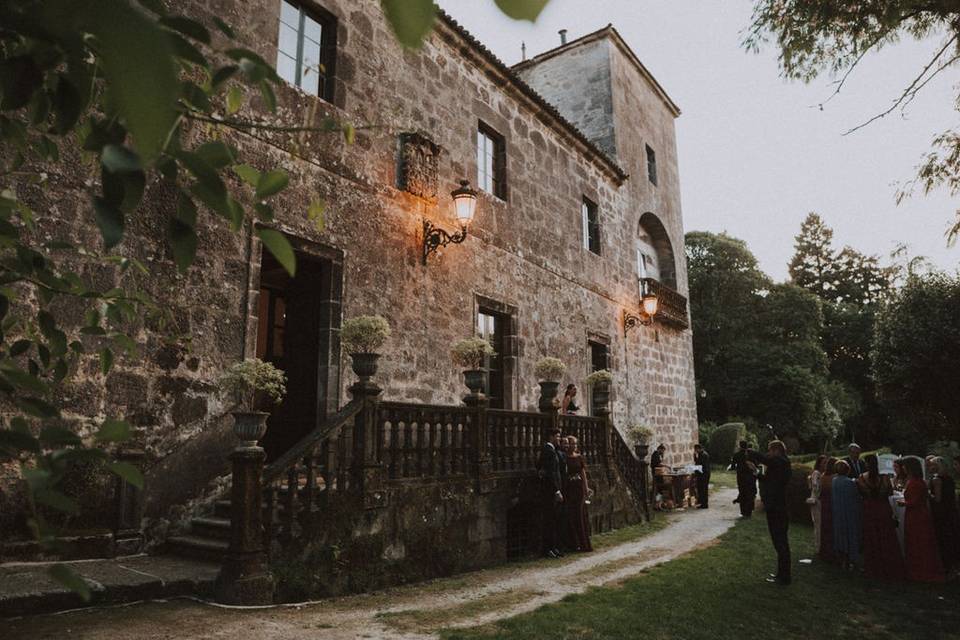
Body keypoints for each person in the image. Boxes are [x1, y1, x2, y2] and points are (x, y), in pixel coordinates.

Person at [749, 440, 792, 585]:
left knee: (781, 542)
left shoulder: (782, 462)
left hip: (778, 508)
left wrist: (749, 451)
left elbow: (766, 459)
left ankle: (784, 576)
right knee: (778, 542)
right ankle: (781, 574)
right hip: (774, 507)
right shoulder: (778, 464)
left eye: (770, 450)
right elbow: (767, 480)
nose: (768, 453)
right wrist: (755, 471)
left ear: (776, 450)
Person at [857, 454, 906, 580]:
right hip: (883, 508)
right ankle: (890, 566)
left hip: (869, 509)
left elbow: (861, 493)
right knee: (886, 536)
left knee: (872, 537)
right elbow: (889, 492)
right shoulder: (884, 478)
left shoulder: (862, 478)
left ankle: (873, 566)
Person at [900, 456, 945, 583]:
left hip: (916, 515)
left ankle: (920, 571)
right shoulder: (918, 481)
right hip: (919, 514)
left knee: (918, 542)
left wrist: (904, 503)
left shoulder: (915, 482)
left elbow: (914, 501)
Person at [928, 457, 959, 575]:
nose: (929, 467)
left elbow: (937, 498)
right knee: (951, 537)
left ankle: (945, 565)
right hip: (950, 511)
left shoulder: (936, 479)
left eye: (931, 465)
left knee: (942, 537)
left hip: (940, 512)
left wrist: (928, 494)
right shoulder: (950, 479)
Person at [537, 428, 564, 558]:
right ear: (551, 437)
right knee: (550, 520)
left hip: (551, 490)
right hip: (550, 492)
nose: (559, 439)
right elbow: (551, 473)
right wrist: (556, 490)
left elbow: (539, 467)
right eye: (558, 437)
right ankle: (549, 549)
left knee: (553, 520)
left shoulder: (551, 450)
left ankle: (553, 547)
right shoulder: (549, 451)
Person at [562, 436, 592, 552]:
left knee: (579, 515)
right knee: (570, 515)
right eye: (572, 444)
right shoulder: (564, 457)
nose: (574, 446)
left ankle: (583, 543)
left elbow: (583, 473)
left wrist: (586, 488)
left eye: (575, 444)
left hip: (578, 488)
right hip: (569, 488)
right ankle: (574, 543)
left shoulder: (579, 457)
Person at [832, 460, 863, 571]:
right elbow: (856, 497)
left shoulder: (834, 481)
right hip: (850, 512)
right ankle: (853, 560)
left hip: (838, 511)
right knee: (851, 535)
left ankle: (842, 559)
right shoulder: (850, 483)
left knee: (840, 535)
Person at [818, 457, 838, 564]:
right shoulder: (834, 477)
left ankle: (825, 551)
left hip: (824, 503)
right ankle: (832, 551)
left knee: (825, 527)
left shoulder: (822, 476)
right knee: (832, 528)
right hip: (832, 503)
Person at [730, 440, 757, 518]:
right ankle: (749, 510)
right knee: (750, 492)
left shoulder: (737, 455)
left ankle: (743, 511)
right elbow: (755, 464)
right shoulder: (751, 454)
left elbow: (733, 466)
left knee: (742, 492)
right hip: (750, 476)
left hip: (741, 476)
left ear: (740, 446)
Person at [806, 455, 827, 554]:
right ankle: (818, 548)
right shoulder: (816, 473)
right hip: (817, 502)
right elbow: (816, 487)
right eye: (824, 463)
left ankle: (822, 546)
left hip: (821, 501)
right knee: (818, 525)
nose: (825, 465)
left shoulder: (822, 474)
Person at [693, 444, 711, 508]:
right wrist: (695, 456)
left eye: (696, 449)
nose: (695, 451)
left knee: (703, 489)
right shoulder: (701, 454)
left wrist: (694, 469)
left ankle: (704, 504)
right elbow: (697, 462)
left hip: (704, 474)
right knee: (700, 488)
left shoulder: (703, 455)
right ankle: (701, 502)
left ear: (698, 448)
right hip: (702, 474)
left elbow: (700, 465)